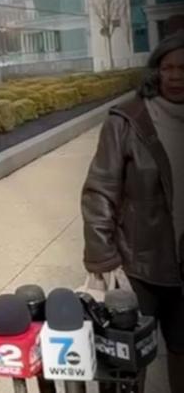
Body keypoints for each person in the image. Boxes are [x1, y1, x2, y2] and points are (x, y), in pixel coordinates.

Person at [83, 32, 184, 392]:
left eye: (183, 67)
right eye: (167, 67)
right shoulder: (126, 120)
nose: (175, 75)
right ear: (156, 71)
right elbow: (99, 190)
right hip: (138, 268)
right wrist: (102, 257)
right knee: (128, 363)